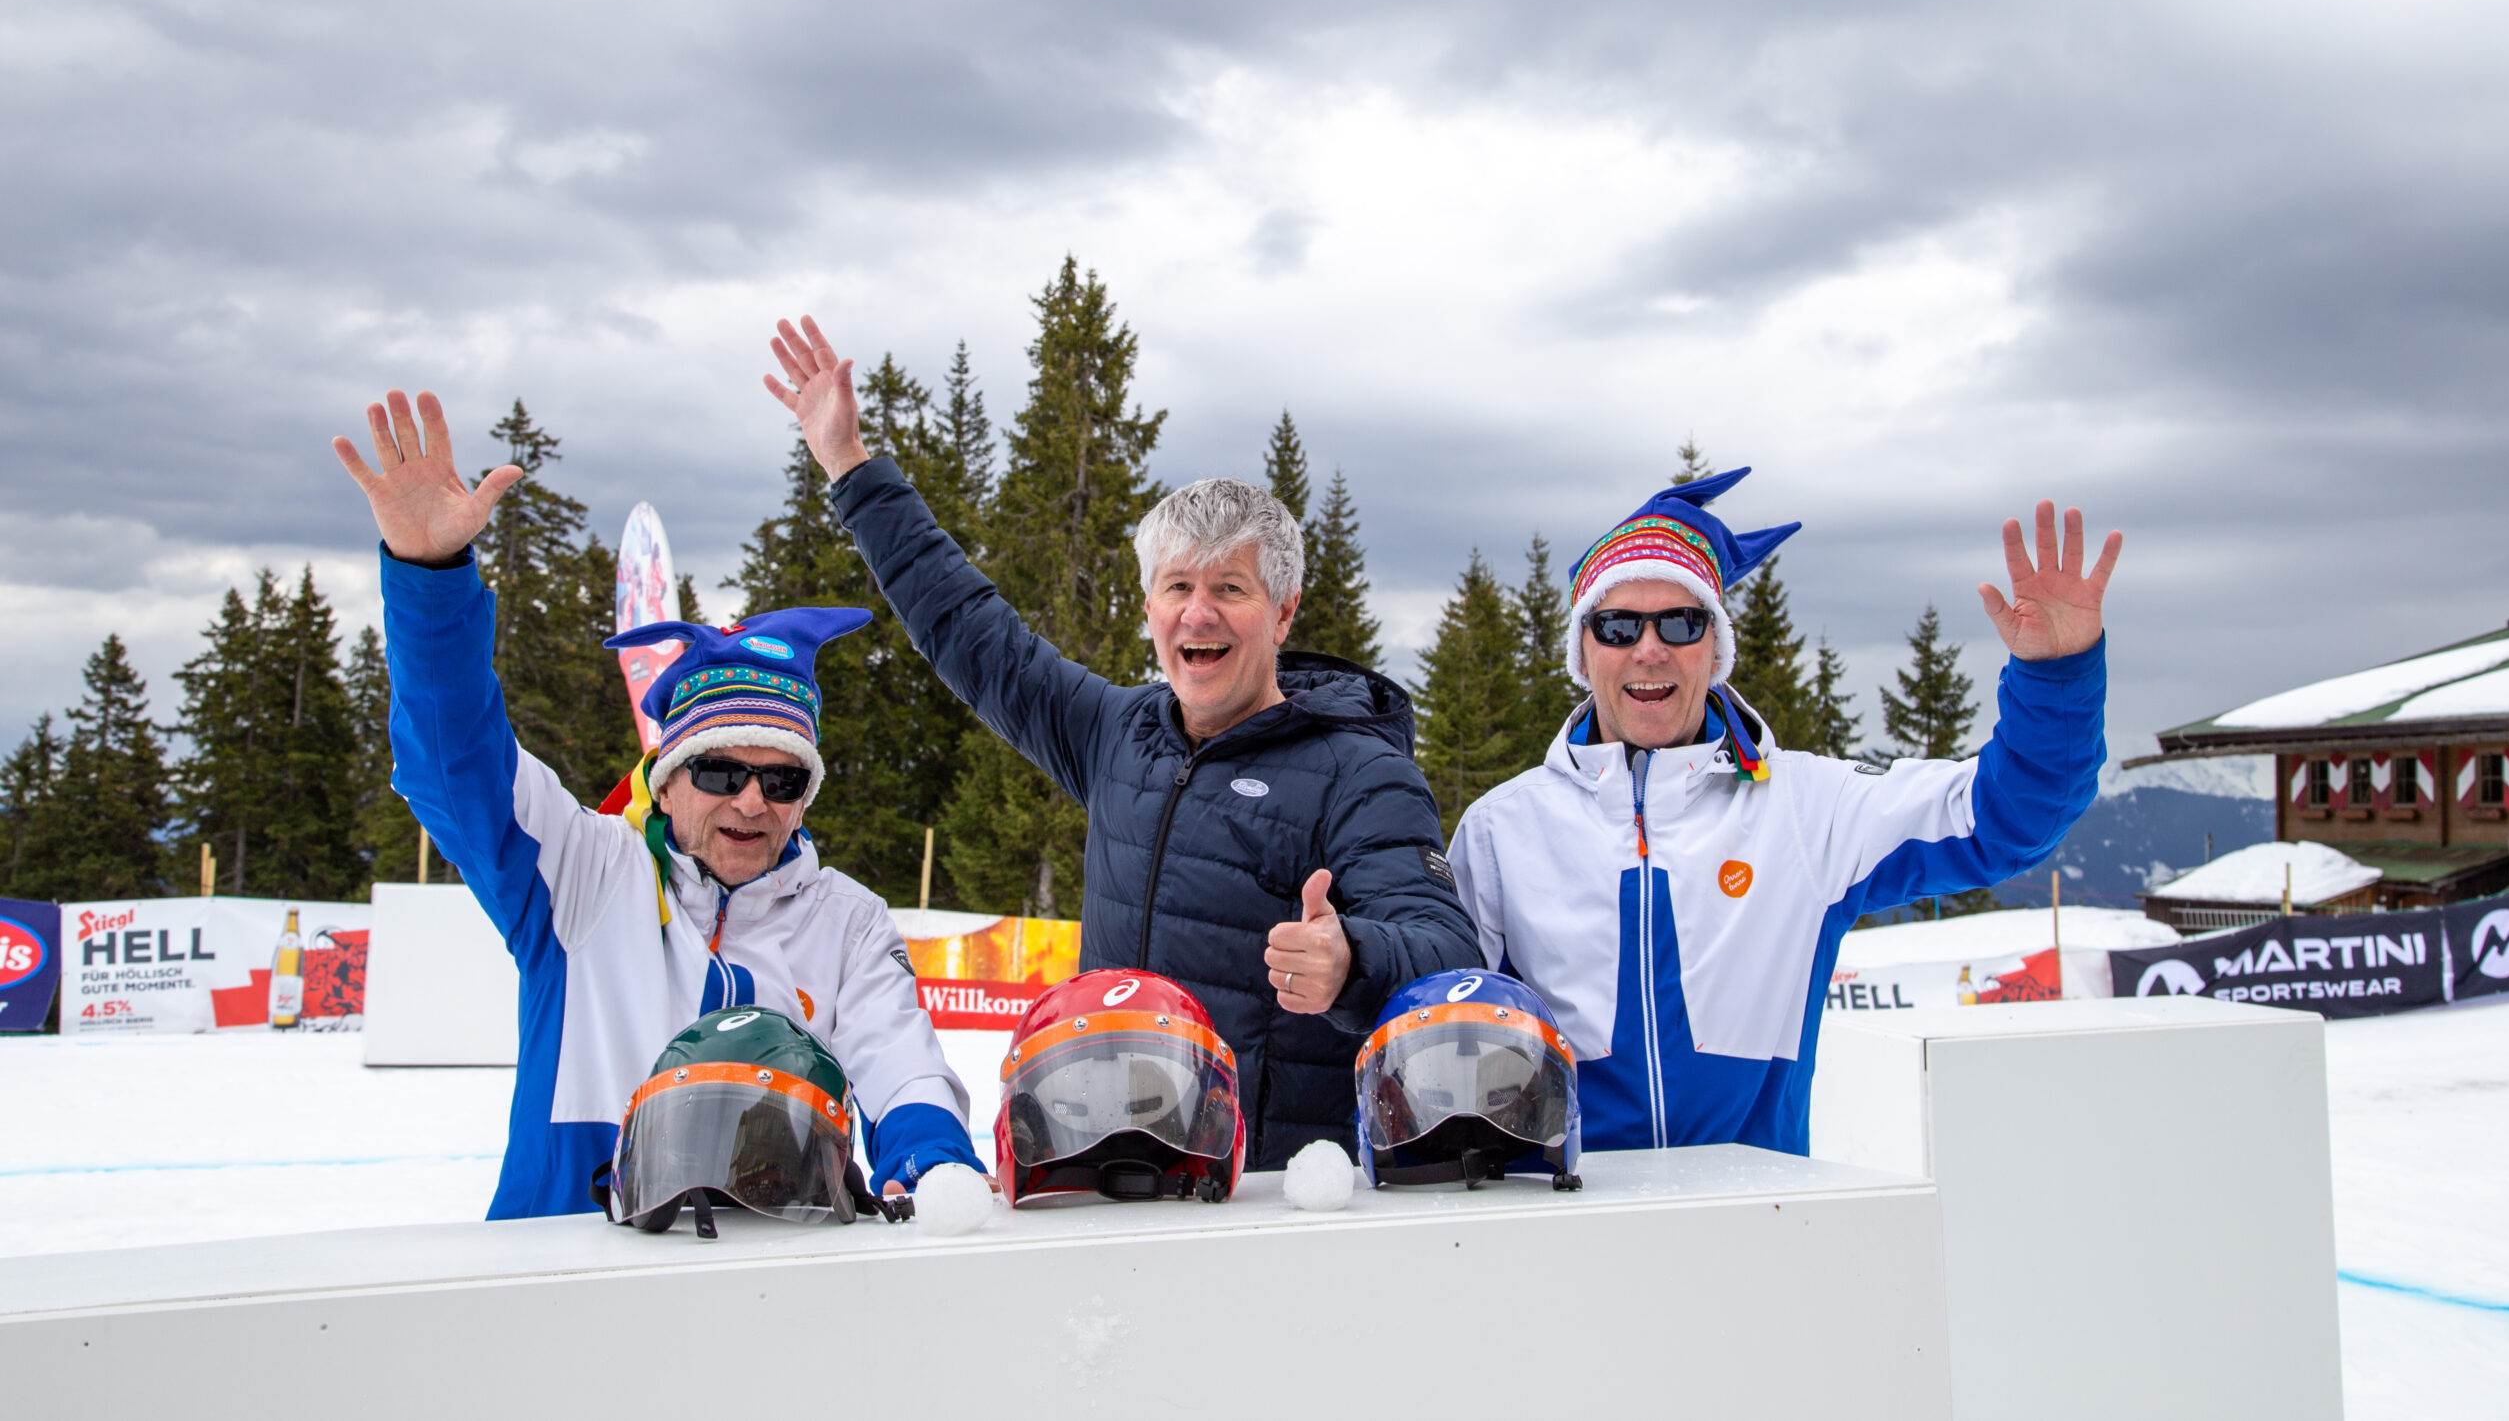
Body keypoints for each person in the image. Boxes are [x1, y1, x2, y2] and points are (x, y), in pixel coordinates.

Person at [762, 315, 1481, 1165]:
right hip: (1104, 1159)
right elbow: (966, 626)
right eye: (1177, 585)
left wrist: (1352, 958)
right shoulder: (1117, 732)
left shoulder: (1358, 769)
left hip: (1266, 1200)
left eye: (1230, 586)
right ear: (1150, 607)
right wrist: (850, 465)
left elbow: (1449, 953)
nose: (1198, 611)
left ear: (1283, 611)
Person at [332, 389, 984, 1219]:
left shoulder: (845, 919)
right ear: (666, 777)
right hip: (569, 1270)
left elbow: (903, 1060)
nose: (752, 799)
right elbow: (454, 764)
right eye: (719, 772)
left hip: (776, 1282)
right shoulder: (584, 871)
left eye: (783, 779)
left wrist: (934, 1161)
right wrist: (430, 584)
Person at [1444, 469, 2117, 1155]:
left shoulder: (1805, 809)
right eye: (1617, 625)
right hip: (1568, 1224)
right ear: (1584, 653)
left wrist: (2056, 674)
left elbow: (2005, 819)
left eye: (1682, 621)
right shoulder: (1503, 832)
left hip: (1763, 1217)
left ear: (1715, 648)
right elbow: (1435, 1031)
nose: (1650, 648)